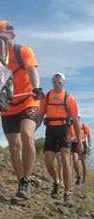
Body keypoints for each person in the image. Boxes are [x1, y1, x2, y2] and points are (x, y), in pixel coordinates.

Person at [0, 20, 44, 204]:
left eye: (5, 38)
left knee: (26, 133)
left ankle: (27, 179)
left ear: (12, 37)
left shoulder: (23, 51)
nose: (2, 42)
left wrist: (36, 87)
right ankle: (21, 184)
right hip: (8, 105)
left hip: (28, 99)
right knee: (14, 145)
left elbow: (32, 70)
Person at [38, 73, 83, 203]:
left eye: (59, 82)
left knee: (65, 160)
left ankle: (67, 192)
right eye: (54, 82)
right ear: (52, 82)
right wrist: (32, 130)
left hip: (64, 130)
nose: (57, 84)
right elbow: (40, 115)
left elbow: (75, 121)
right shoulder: (46, 97)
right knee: (48, 161)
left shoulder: (70, 99)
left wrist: (79, 141)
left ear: (63, 83)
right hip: (50, 130)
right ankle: (57, 181)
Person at [70, 113, 91, 184]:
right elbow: (69, 138)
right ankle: (78, 176)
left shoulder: (84, 126)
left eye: (78, 117)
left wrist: (90, 145)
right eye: (75, 117)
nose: (77, 118)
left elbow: (88, 135)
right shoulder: (70, 126)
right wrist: (77, 136)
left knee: (84, 162)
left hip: (83, 143)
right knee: (74, 161)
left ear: (80, 118)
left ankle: (84, 179)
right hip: (74, 145)